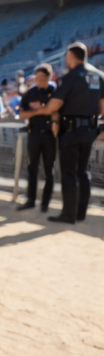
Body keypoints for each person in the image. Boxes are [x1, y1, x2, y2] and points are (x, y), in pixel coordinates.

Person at [28, 43, 104, 224]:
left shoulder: (70, 77)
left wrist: (39, 111)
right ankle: (80, 213)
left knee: (69, 172)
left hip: (71, 130)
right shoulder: (99, 75)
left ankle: (68, 214)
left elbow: (54, 105)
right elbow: (102, 107)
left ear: (71, 57)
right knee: (83, 171)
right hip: (90, 129)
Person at [17, 64, 57, 212]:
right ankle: (31, 200)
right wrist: (40, 111)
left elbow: (56, 111)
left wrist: (38, 110)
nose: (38, 81)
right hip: (33, 133)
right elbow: (21, 114)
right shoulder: (30, 93)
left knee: (49, 170)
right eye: (36, 78)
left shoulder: (54, 92)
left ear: (48, 77)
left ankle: (45, 203)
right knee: (32, 168)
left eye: (41, 78)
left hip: (49, 135)